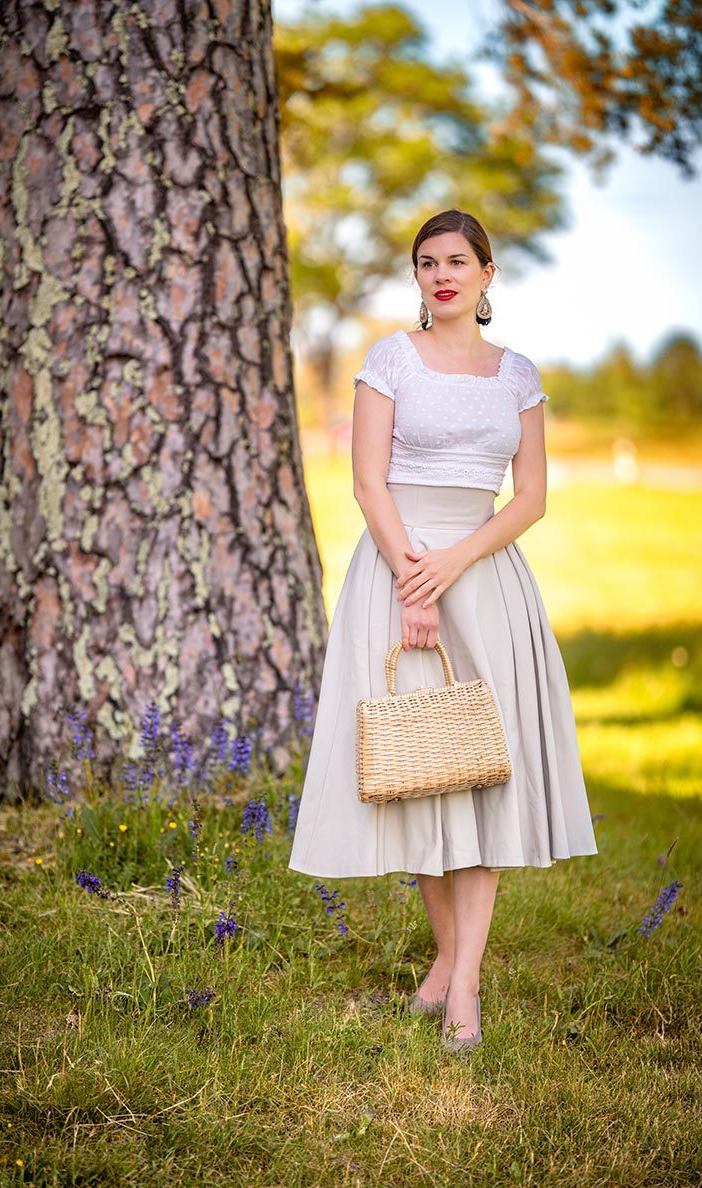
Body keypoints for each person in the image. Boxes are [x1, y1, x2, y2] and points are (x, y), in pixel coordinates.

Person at [287, 208, 598, 1052]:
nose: (442, 275)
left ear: (488, 274)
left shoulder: (517, 375)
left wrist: (456, 563)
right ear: (418, 278)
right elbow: (367, 481)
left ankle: (461, 985)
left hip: (485, 576)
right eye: (427, 264)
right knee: (426, 771)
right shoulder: (391, 358)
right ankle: (444, 967)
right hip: (399, 571)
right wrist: (412, 579)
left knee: (482, 774)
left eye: (458, 261)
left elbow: (529, 498)